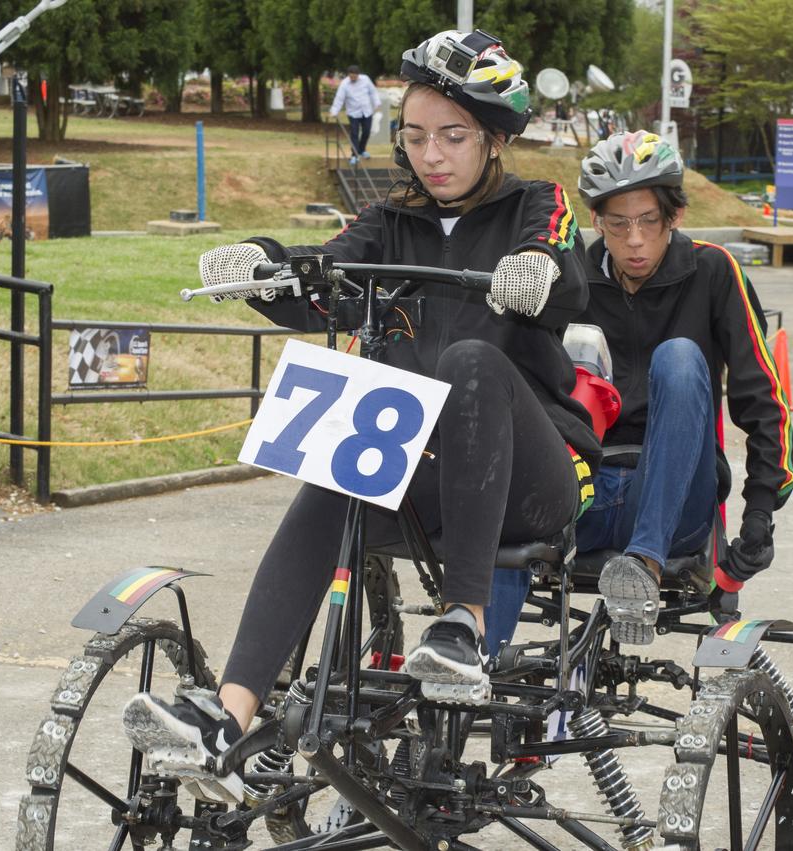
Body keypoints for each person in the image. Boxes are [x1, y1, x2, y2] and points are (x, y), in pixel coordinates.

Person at [122, 29, 598, 803]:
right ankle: (228, 717)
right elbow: (323, 273)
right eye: (413, 136)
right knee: (339, 470)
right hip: (427, 484)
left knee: (470, 362)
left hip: (531, 479)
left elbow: (558, 258)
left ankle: (463, 626)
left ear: (492, 138)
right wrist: (258, 262)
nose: (430, 155)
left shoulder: (535, 203)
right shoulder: (390, 218)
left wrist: (534, 271)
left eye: (452, 136)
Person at [484, 130, 793, 649]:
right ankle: (471, 668)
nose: (633, 240)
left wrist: (760, 509)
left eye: (648, 221)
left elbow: (761, 396)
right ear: (596, 222)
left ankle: (643, 568)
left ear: (673, 217)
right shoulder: (568, 280)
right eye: (617, 223)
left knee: (678, 356)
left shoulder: (713, 271)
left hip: (675, 498)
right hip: (581, 490)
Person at [328, 64, 382, 165]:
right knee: (354, 134)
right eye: (351, 76)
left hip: (366, 111)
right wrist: (334, 111)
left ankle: (361, 150)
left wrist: (377, 103)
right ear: (348, 75)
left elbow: (373, 92)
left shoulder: (365, 79)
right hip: (353, 113)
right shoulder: (344, 84)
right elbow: (339, 98)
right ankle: (354, 155)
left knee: (366, 131)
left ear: (358, 75)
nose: (353, 78)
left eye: (355, 76)